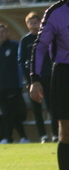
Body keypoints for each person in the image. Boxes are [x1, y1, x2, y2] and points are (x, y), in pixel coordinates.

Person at [31, 0, 69, 170]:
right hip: (64, 73)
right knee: (65, 132)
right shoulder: (55, 13)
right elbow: (40, 46)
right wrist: (35, 80)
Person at [20, 11, 57, 143]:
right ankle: (43, 135)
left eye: (36, 22)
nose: (34, 25)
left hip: (48, 77)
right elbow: (21, 61)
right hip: (34, 80)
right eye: (31, 23)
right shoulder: (25, 41)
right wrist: (28, 79)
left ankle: (55, 134)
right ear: (27, 24)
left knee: (51, 107)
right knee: (37, 109)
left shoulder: (47, 37)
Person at [0, 23, 28, 144]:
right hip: (1, 87)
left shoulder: (15, 46)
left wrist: (24, 76)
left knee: (9, 112)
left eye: (3, 32)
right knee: (11, 113)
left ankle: (6, 138)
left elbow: (23, 61)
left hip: (14, 85)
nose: (1, 34)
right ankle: (23, 137)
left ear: (7, 33)